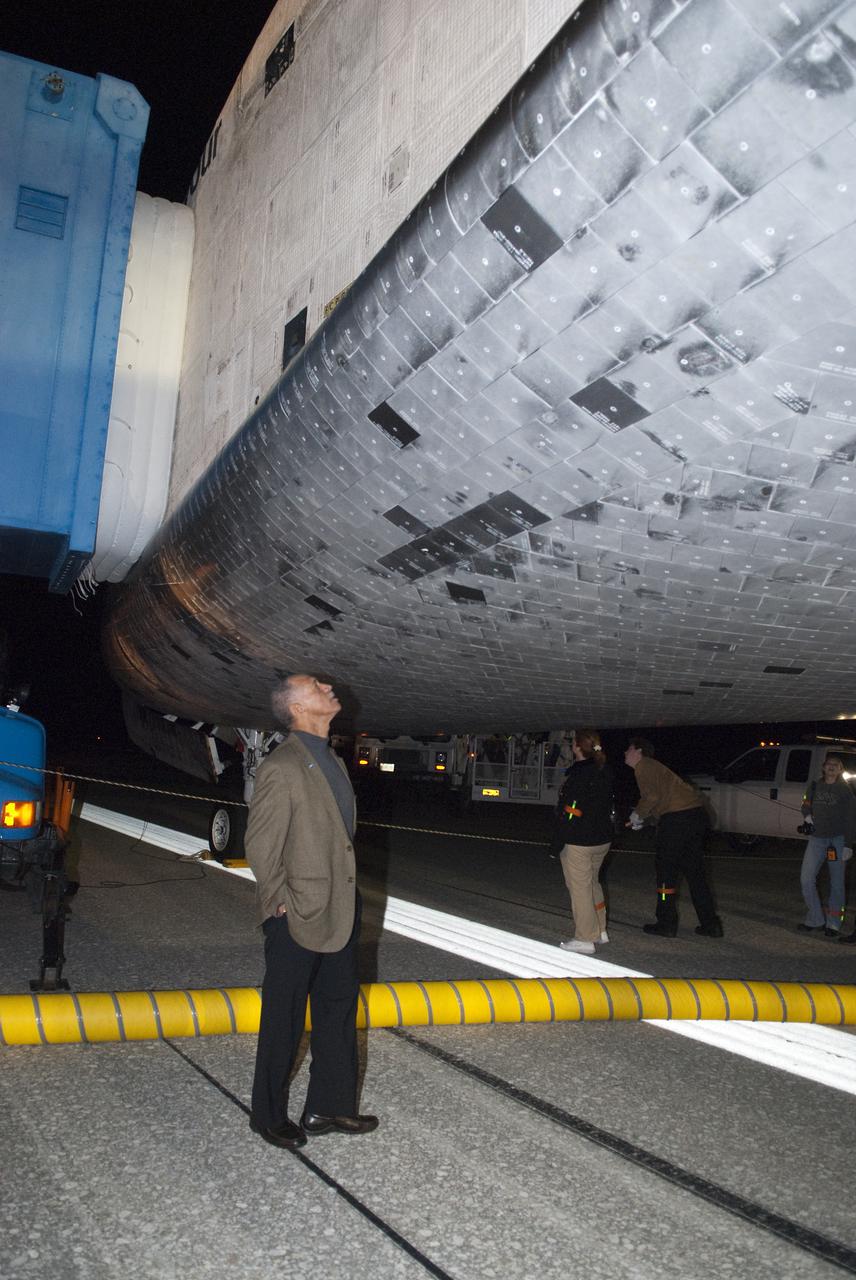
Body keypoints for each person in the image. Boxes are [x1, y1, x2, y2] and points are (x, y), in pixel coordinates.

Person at [245, 673, 378, 1149]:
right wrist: (277, 901)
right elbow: (261, 842)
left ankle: (330, 1106)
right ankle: (267, 1115)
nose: (327, 686)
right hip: (296, 911)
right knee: (283, 1016)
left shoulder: (334, 761)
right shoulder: (282, 766)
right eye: (316, 686)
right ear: (298, 708)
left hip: (341, 906)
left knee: (338, 1009)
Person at [624, 737, 723, 939]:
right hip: (695, 817)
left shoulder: (643, 766)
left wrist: (637, 815)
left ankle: (666, 923)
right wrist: (645, 819)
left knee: (666, 872)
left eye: (629, 749)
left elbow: (651, 797)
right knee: (695, 874)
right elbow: (662, 802)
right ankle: (711, 924)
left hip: (678, 821)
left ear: (638, 751)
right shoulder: (656, 768)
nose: (625, 752)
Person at [553, 727, 614, 955]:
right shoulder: (604, 770)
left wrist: (558, 838)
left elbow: (571, 809)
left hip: (579, 840)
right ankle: (600, 930)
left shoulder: (579, 773)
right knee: (593, 883)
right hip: (602, 838)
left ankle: (584, 938)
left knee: (579, 889)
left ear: (577, 747)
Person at [798, 754, 856, 939]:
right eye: (828, 764)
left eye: (835, 765)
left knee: (837, 883)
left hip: (837, 842)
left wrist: (848, 845)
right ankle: (815, 919)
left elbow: (850, 819)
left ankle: (833, 923)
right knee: (806, 879)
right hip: (817, 839)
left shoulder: (846, 791)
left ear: (840, 770)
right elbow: (805, 802)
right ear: (823, 768)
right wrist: (807, 815)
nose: (831, 767)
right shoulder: (814, 785)